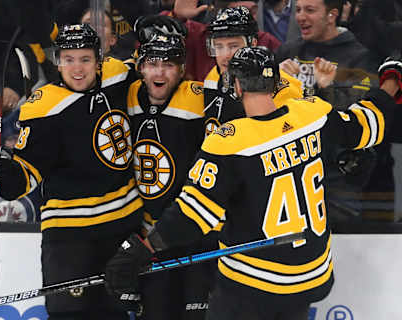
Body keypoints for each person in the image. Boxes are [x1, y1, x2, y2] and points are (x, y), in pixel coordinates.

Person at [103, 46, 400, 319]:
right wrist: (392, 82)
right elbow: (369, 122)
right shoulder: (312, 114)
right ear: (274, 85)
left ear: (237, 85)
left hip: (254, 283)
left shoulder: (230, 141)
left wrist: (142, 247)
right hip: (311, 277)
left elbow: (192, 216)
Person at [0, 24, 143, 320]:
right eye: (69, 59)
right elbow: (25, 177)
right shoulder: (43, 107)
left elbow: (148, 66)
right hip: (69, 237)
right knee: (69, 314)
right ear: (57, 61)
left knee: (117, 314)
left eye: (85, 59)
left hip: (122, 228)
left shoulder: (117, 75)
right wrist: (0, 172)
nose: (77, 68)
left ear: (99, 59)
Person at [128, 34, 215, 319]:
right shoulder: (127, 96)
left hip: (196, 235)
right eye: (152, 63)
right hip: (151, 237)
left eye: (168, 64)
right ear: (141, 67)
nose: (160, 71)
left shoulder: (200, 96)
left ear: (181, 69)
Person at [203, 6, 303, 136]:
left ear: (253, 44)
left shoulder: (281, 85)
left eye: (234, 46)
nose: (225, 55)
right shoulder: (213, 77)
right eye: (218, 46)